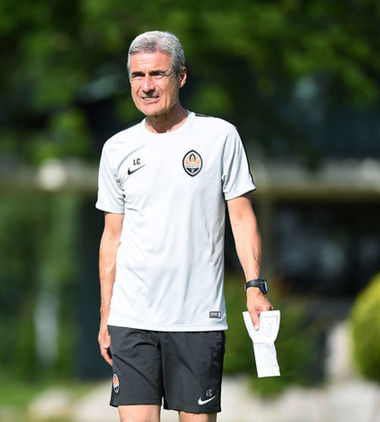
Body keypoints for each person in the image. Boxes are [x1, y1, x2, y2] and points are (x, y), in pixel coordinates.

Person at [95, 30, 273, 422]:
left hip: (197, 319)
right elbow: (112, 238)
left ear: (181, 76)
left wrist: (254, 286)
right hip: (132, 319)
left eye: (157, 74)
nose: (146, 86)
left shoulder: (219, 137)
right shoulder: (116, 149)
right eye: (138, 76)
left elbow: (241, 218)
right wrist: (106, 315)